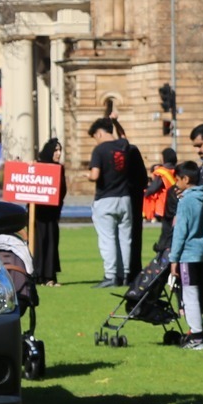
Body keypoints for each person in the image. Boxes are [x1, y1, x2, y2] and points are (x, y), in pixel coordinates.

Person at [83, 118, 136, 288]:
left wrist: (88, 176)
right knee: (125, 239)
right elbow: (123, 136)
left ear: (99, 133)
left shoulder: (99, 150)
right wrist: (116, 122)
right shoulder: (123, 145)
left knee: (107, 239)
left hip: (106, 199)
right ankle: (126, 274)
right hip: (125, 199)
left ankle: (111, 275)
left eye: (95, 136)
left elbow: (95, 175)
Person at [166, 161, 203, 348]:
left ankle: (196, 334)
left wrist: (173, 258)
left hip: (188, 253)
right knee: (199, 293)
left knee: (189, 294)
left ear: (185, 179)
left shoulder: (186, 201)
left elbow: (180, 232)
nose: (175, 184)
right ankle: (198, 330)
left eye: (177, 180)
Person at [30, 138, 64, 286]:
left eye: (60, 150)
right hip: (38, 214)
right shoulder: (38, 166)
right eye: (56, 150)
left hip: (52, 214)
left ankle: (49, 276)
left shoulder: (59, 168)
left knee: (51, 243)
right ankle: (37, 275)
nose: (58, 153)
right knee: (38, 244)